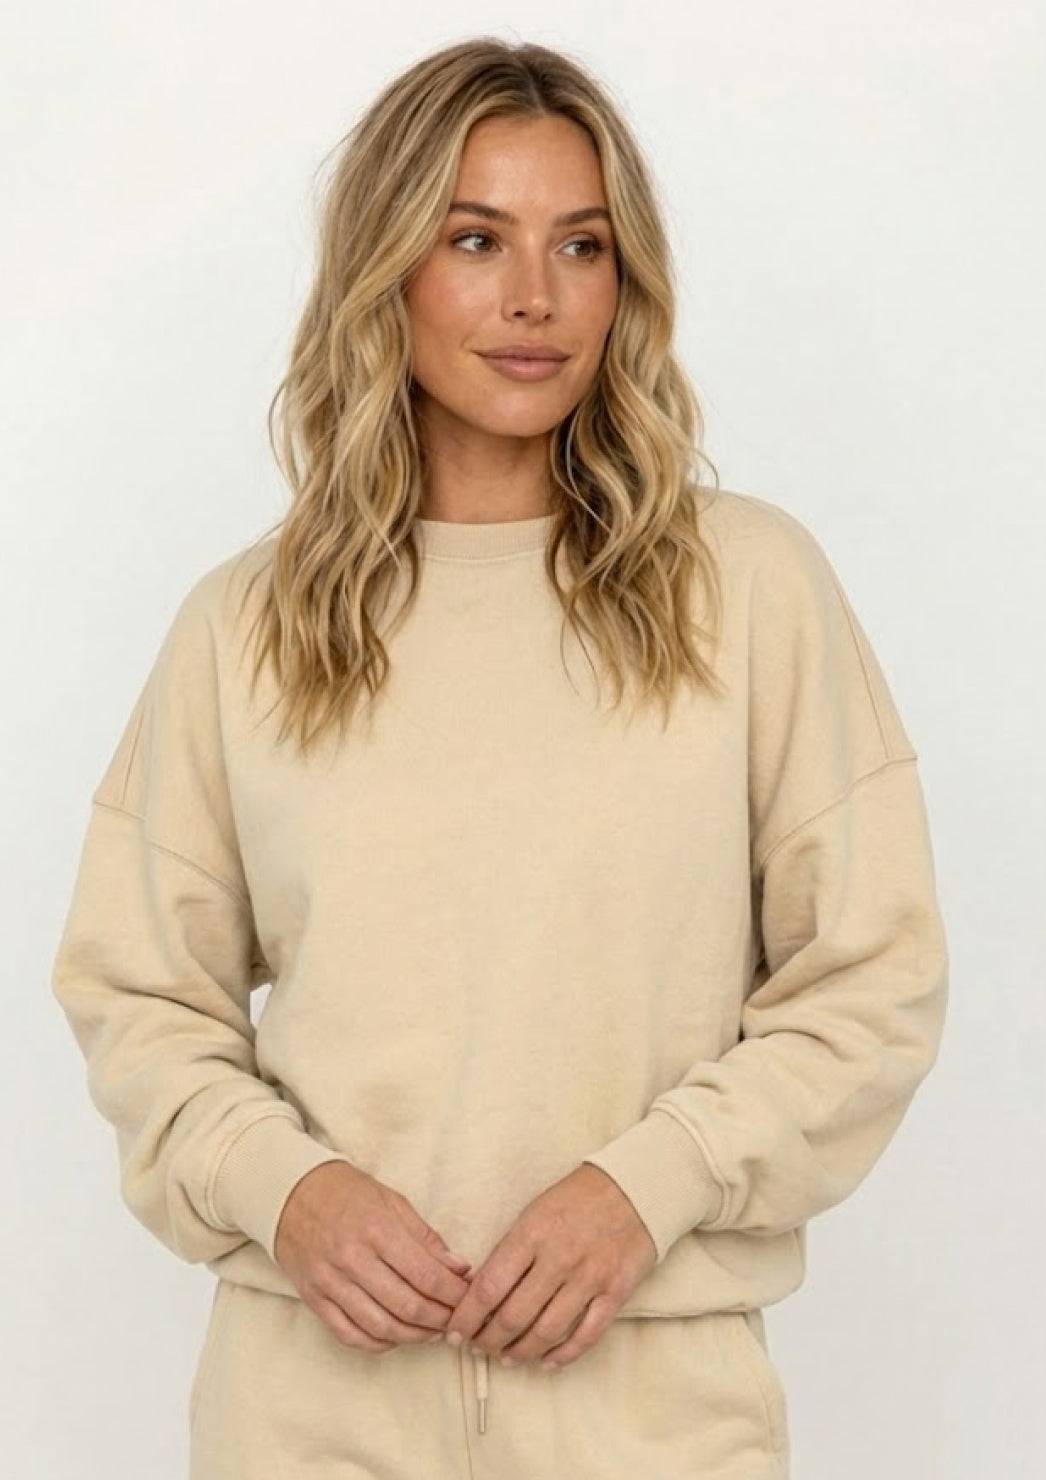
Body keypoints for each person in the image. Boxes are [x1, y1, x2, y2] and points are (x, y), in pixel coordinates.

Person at [50, 36, 949, 1480]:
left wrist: (645, 1188)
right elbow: (139, 995)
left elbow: (871, 980)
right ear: (386, 269)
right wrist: (285, 1190)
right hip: (307, 1419)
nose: (537, 295)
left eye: (580, 245)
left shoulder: (747, 590)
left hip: (656, 1419)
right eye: (476, 239)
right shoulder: (246, 627)